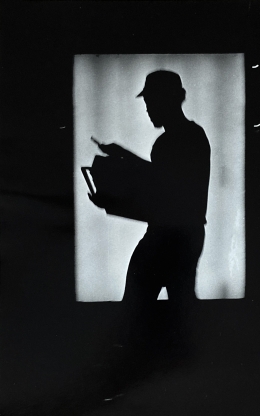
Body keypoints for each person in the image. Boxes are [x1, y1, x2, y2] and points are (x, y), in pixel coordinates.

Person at [90, 70, 211, 349]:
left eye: (151, 101)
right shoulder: (191, 136)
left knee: (137, 308)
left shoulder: (171, 142)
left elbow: (163, 188)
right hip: (185, 234)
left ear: (169, 100)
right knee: (179, 308)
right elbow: (167, 184)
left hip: (168, 236)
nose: (148, 108)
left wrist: (114, 198)